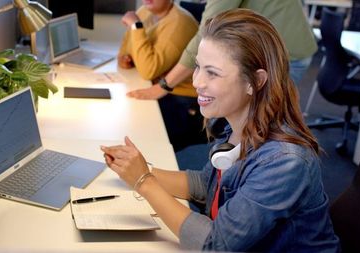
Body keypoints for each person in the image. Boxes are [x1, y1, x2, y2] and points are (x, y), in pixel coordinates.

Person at [101, 9, 339, 252]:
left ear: (255, 82)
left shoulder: (285, 162)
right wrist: (140, 168)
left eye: (212, 73)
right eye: (198, 67)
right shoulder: (236, 126)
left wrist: (144, 182)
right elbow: (208, 184)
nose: (196, 82)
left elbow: (215, 245)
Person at [127, 0, 318, 100]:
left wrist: (164, 86)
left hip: (285, 53)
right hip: (270, 44)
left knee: (262, 123)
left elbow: (206, 35)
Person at [118, 0, 206, 151]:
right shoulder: (145, 11)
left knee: (133, 129)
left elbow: (148, 70)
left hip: (184, 101)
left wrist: (136, 27)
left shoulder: (179, 24)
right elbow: (125, 50)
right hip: (161, 89)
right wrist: (126, 58)